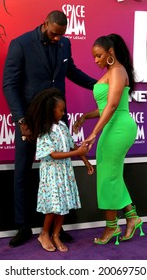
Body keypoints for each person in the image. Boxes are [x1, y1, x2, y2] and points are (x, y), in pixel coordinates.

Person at [3, 10, 97, 248]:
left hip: (57, 120)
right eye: (55, 34)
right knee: (23, 170)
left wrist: (98, 85)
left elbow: (71, 71)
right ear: (45, 24)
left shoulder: (65, 44)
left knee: (61, 170)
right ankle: (23, 226)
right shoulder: (21, 44)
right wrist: (22, 121)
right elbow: (10, 85)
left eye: (61, 35)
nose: (58, 38)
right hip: (31, 120)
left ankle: (57, 226)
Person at [73, 34, 145, 245]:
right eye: (94, 57)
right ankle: (132, 217)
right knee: (111, 174)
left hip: (119, 127)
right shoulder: (112, 72)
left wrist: (94, 133)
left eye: (98, 56)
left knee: (108, 177)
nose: (96, 60)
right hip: (113, 126)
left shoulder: (117, 71)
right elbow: (106, 107)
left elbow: (113, 107)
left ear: (110, 53)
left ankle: (111, 228)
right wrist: (86, 116)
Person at [26, 88, 94, 252]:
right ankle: (44, 233)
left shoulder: (63, 126)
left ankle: (56, 235)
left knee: (63, 205)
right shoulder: (44, 131)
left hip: (65, 173)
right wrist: (77, 153)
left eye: (64, 110)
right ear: (50, 111)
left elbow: (72, 144)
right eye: (61, 110)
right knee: (53, 206)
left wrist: (85, 160)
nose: (64, 113)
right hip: (51, 173)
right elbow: (53, 154)